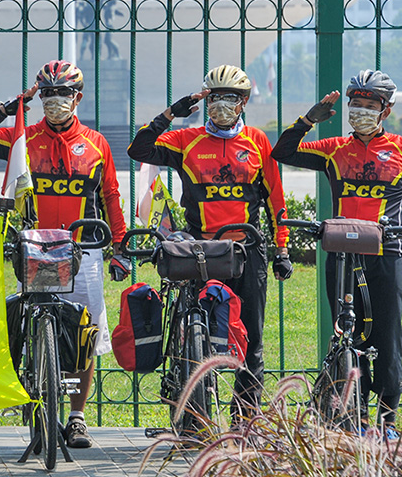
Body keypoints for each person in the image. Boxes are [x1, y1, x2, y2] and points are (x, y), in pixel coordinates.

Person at [0, 59, 128, 449]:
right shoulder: (23, 138)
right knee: (30, 324)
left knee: (84, 331)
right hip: (34, 246)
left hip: (83, 249)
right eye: (48, 93)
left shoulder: (97, 144)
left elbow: (111, 197)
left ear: (77, 97)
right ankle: (36, 395)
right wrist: (12, 106)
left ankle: (78, 417)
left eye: (63, 93)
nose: (55, 100)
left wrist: (119, 247)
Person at [128, 64, 292, 422]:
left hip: (245, 250)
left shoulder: (257, 142)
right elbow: (138, 149)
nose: (222, 105)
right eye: (215, 97)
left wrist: (281, 248)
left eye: (230, 98)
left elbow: (276, 200)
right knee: (194, 330)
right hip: (200, 250)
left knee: (251, 336)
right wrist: (172, 113)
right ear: (206, 100)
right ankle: (193, 413)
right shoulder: (186, 140)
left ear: (244, 102)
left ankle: (246, 419)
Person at [271, 69, 401, 439]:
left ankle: (388, 420)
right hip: (342, 253)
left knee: (389, 336)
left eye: (369, 105)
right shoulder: (334, 148)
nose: (360, 111)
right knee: (349, 333)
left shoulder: (398, 149)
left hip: (386, 251)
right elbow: (282, 152)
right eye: (354, 105)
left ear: (385, 110)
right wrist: (309, 120)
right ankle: (356, 417)